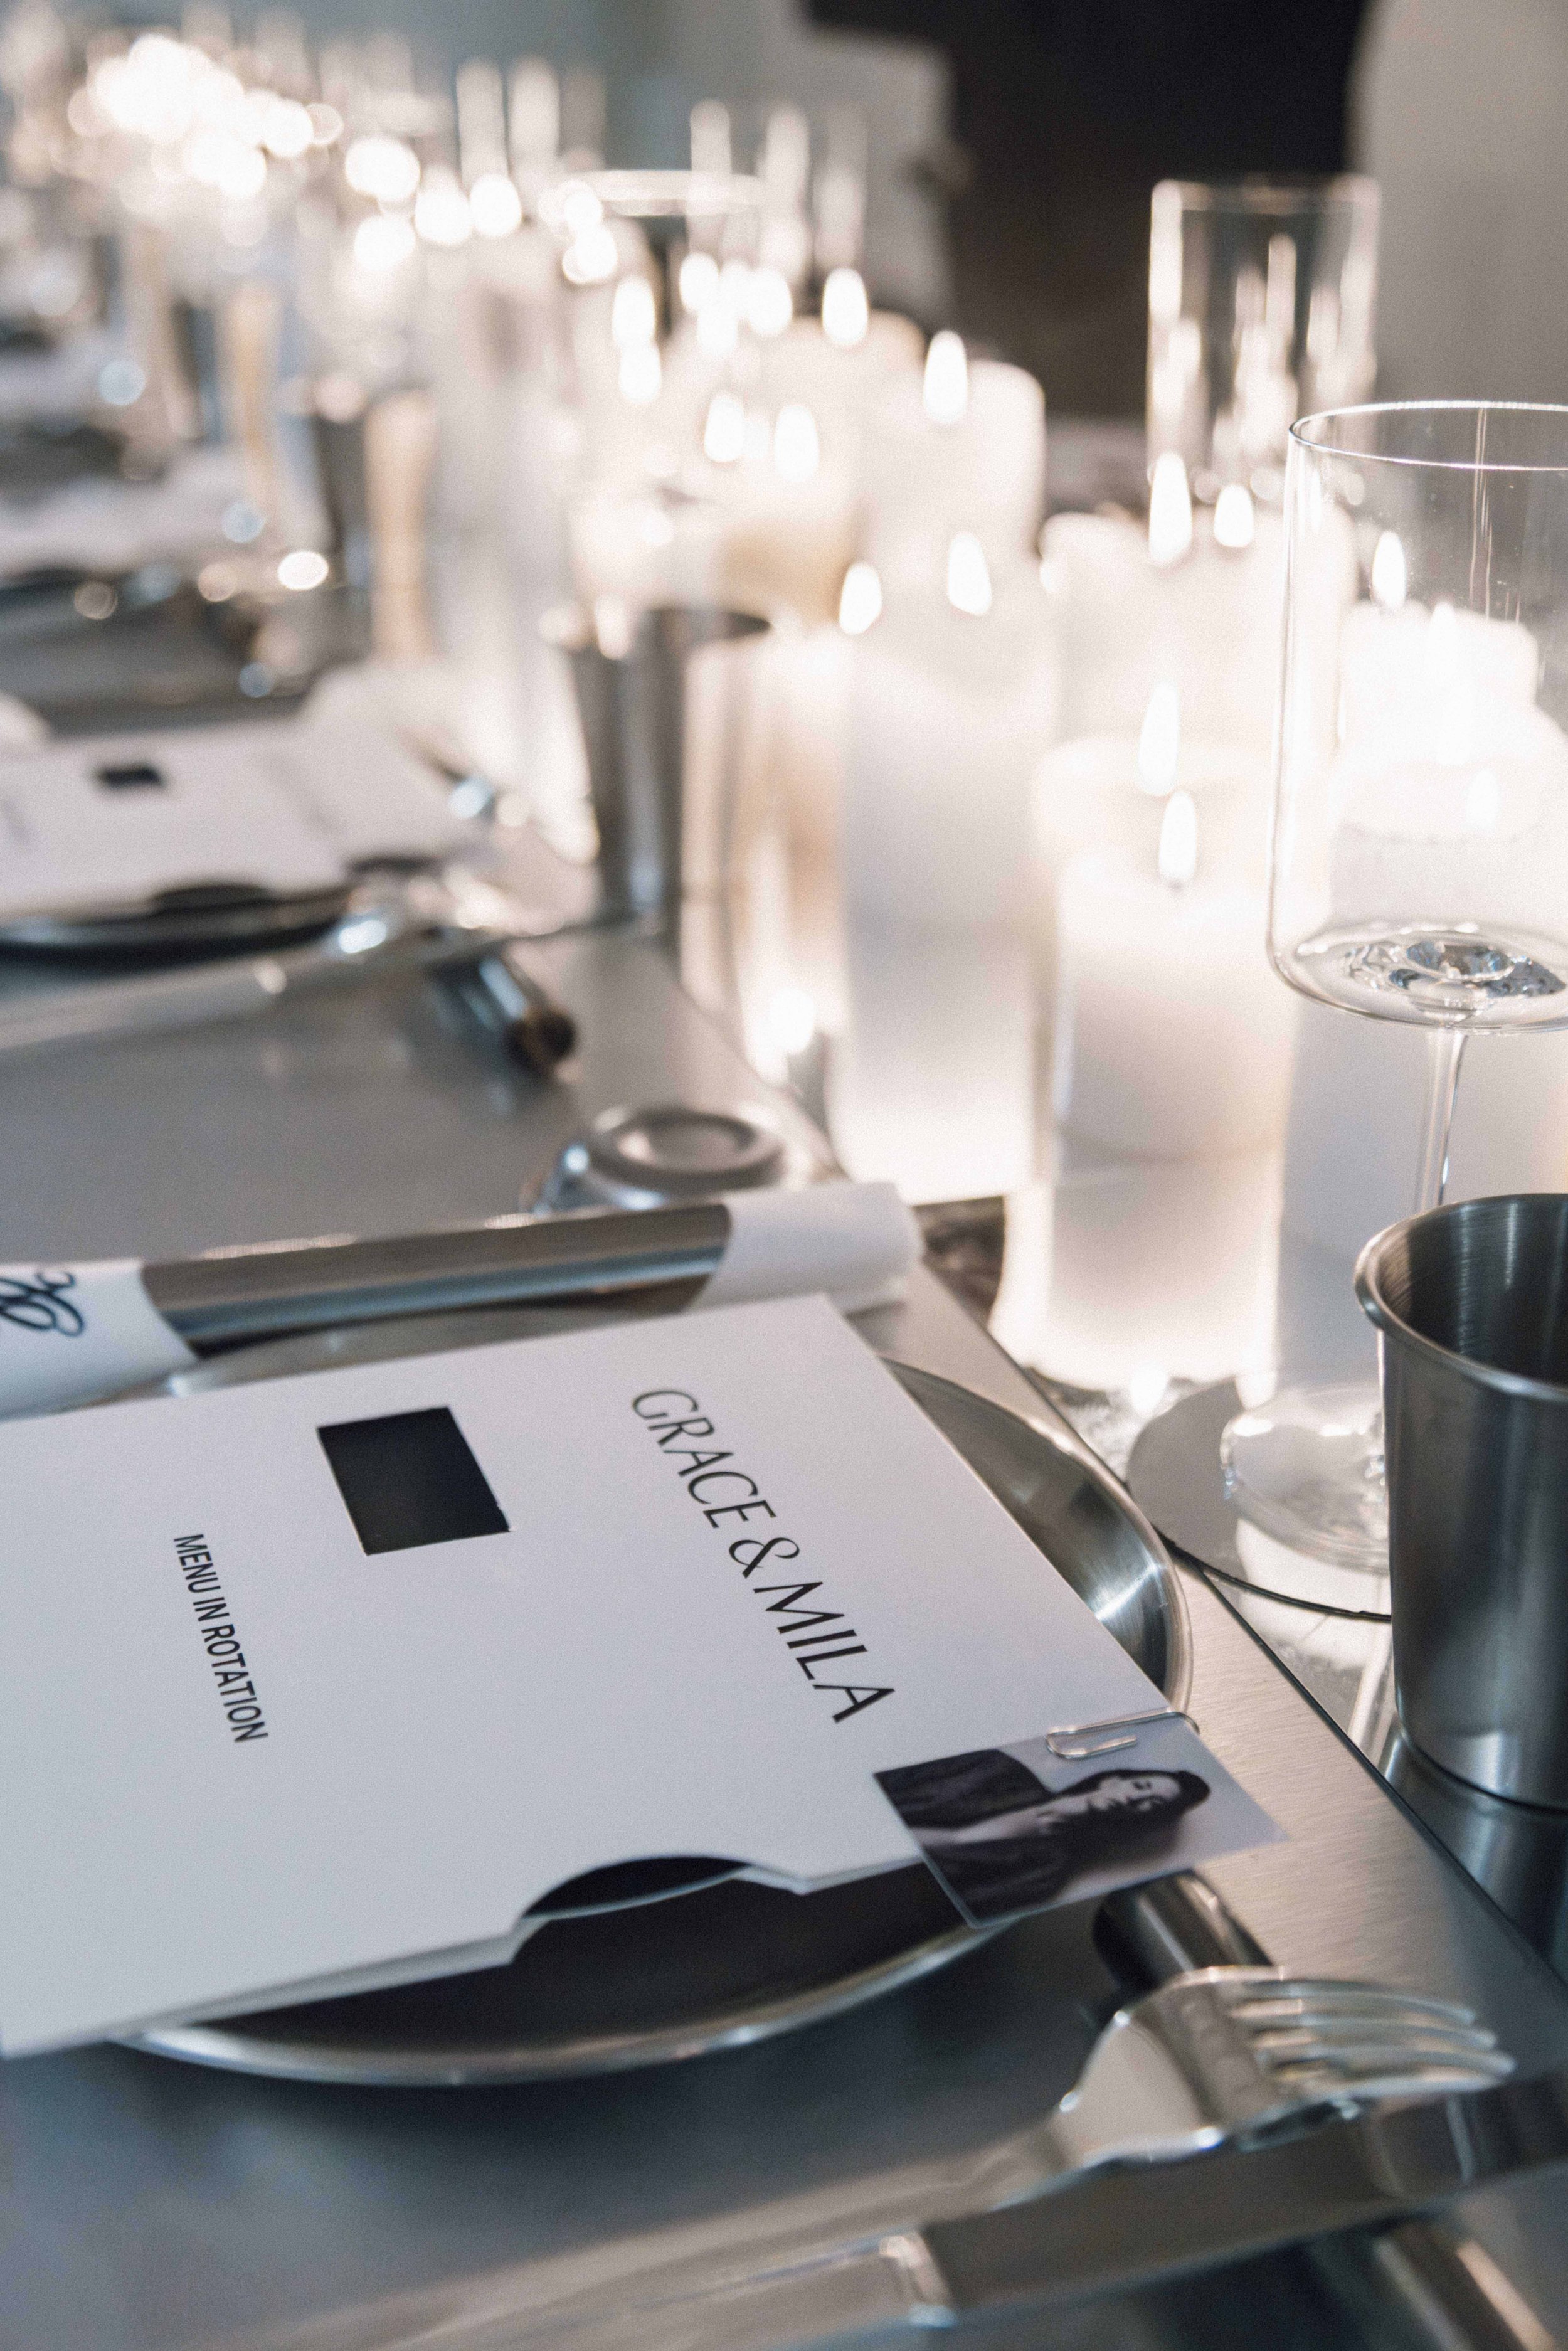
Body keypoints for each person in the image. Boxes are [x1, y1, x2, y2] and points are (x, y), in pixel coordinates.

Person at [881, 1751, 1210, 1920]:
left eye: (1148, 1805)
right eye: (1140, 1787)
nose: (1132, 1799)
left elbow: (933, 1912)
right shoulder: (992, 1768)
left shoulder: (1047, 1874)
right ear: (1114, 1779)